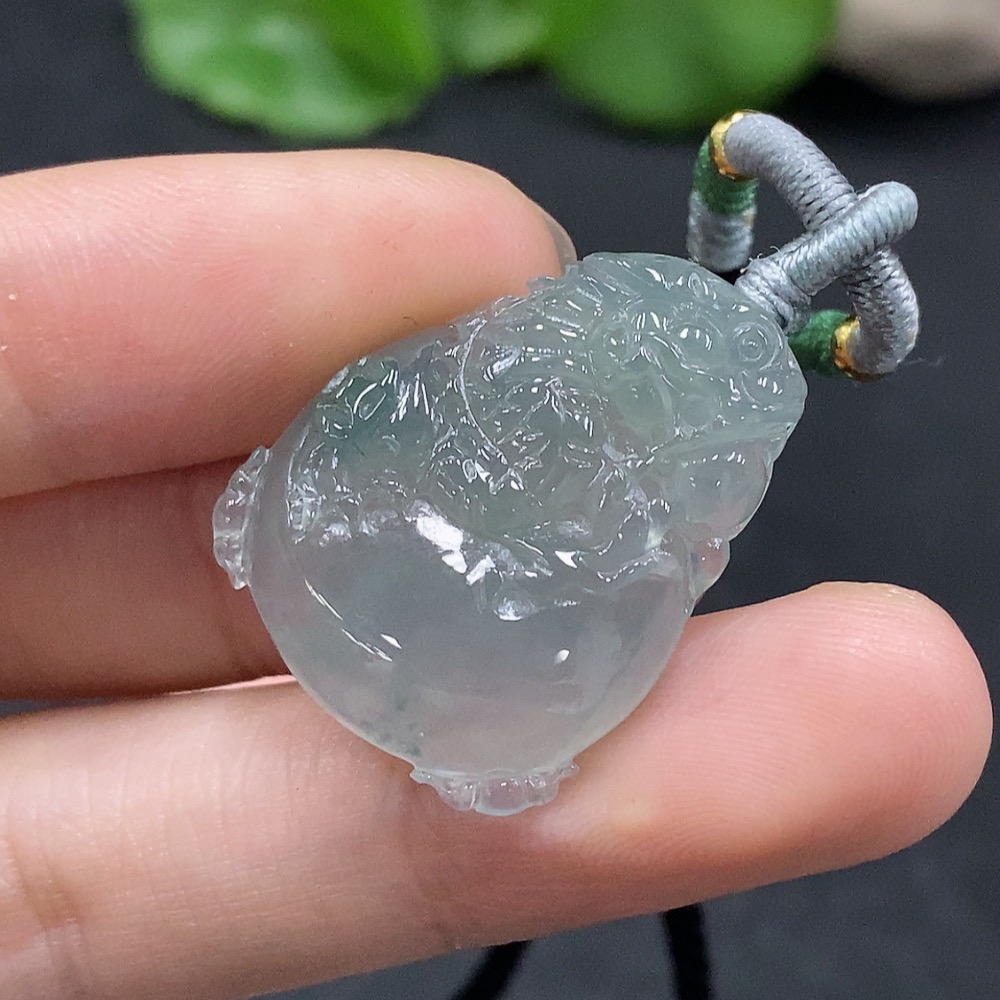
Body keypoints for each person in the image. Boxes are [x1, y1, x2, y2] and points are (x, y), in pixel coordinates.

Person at [0, 151, 990, 999]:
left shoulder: (667, 450)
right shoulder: (529, 370)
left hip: (436, 628)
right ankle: (472, 720)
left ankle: (495, 741)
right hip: (329, 546)